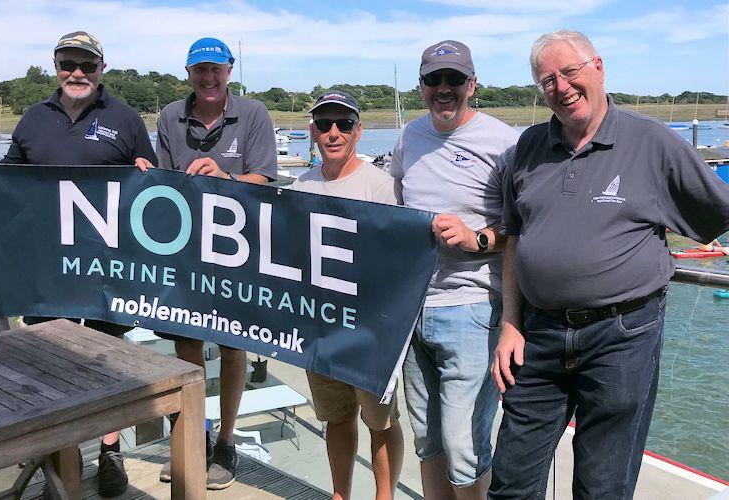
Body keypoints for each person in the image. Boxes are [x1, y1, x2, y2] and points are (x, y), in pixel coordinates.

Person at [490, 30, 729, 499]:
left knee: (602, 486)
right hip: (537, 336)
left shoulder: (654, 143)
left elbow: (715, 215)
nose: (561, 87)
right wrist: (510, 323)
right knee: (511, 482)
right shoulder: (528, 148)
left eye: (570, 72)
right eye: (547, 81)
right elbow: (515, 238)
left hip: (622, 336)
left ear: (598, 68)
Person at [0, 31, 156, 497]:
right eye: (69, 63)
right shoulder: (32, 119)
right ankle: (61, 460)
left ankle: (111, 452)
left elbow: (150, 180)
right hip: (49, 266)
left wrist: (149, 173)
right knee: (53, 362)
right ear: (55, 65)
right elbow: (10, 179)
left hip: (109, 265)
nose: (77, 73)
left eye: (87, 65)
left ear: (100, 69)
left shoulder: (125, 118)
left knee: (110, 362)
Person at [134, 36, 276, 490]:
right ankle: (195, 434)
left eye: (216, 69)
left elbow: (265, 178)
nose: (209, 78)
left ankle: (227, 442)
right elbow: (164, 181)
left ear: (229, 71)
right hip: (186, 249)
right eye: (201, 70)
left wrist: (226, 176)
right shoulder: (170, 116)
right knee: (188, 342)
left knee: (234, 345)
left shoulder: (253, 113)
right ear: (189, 73)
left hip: (237, 251)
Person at [390, 41, 518, 500]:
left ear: (472, 85)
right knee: (428, 441)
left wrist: (477, 238)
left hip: (474, 307)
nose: (444, 89)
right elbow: (392, 207)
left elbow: (524, 230)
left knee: (464, 447)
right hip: (412, 311)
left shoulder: (505, 142)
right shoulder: (408, 138)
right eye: (434, 80)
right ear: (421, 87)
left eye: (454, 80)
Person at [289, 91, 404, 500]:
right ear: (312, 133)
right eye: (324, 125)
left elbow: (396, 257)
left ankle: (384, 495)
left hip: (370, 332)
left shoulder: (380, 185)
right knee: (336, 419)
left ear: (359, 131)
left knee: (381, 422)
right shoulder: (298, 187)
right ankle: (340, 494)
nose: (333, 133)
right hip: (320, 328)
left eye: (342, 124)